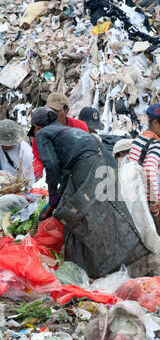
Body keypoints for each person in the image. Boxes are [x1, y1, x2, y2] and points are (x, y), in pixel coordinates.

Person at [30, 106, 148, 278]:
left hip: (88, 166)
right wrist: (54, 201)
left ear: (36, 127)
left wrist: (54, 198)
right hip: (106, 165)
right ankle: (133, 265)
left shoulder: (42, 134)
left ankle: (88, 271)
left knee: (77, 216)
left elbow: (52, 166)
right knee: (112, 215)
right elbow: (66, 174)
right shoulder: (70, 132)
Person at [31, 93, 89, 180]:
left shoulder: (80, 127)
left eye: (55, 111)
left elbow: (86, 155)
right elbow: (37, 157)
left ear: (67, 111)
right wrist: (38, 175)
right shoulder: (37, 128)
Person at [0, 119, 35, 187]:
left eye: (8, 144)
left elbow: (30, 179)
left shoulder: (26, 153)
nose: (5, 146)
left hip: (18, 186)